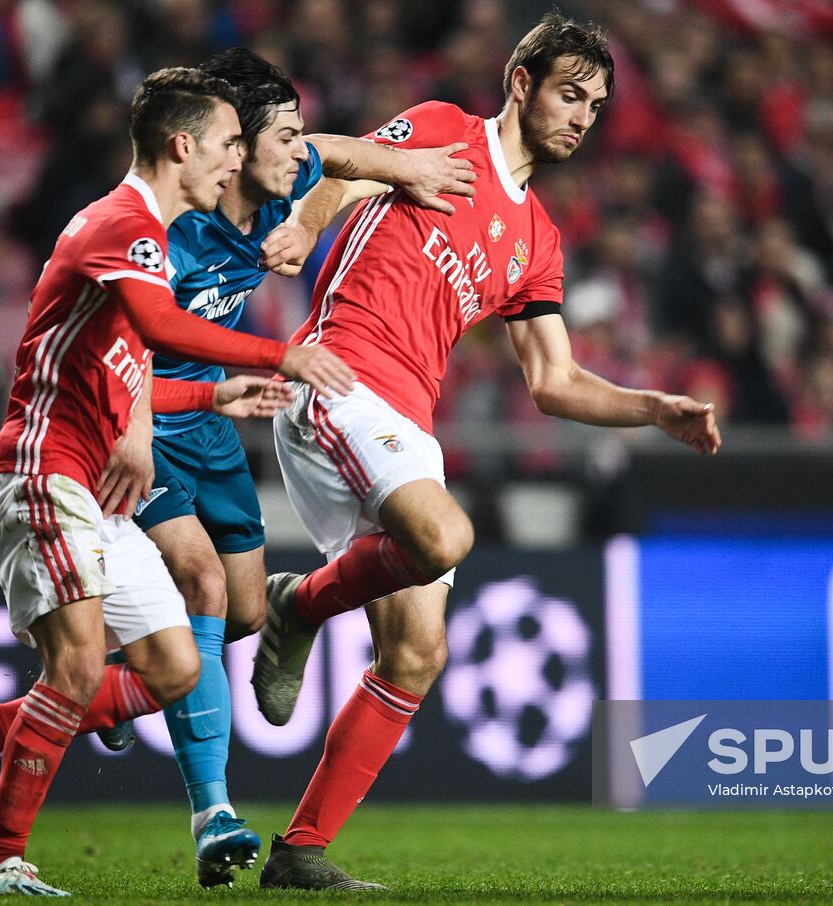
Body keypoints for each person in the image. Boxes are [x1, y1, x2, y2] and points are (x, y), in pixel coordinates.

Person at [251, 12, 720, 891]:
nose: (582, 117)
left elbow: (554, 380)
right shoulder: (444, 131)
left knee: (418, 650)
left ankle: (301, 851)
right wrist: (308, 227)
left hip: (405, 419)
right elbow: (342, 167)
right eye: (570, 94)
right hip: (341, 373)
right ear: (521, 83)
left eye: (595, 106)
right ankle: (302, 607)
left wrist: (651, 407)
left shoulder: (538, 242)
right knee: (444, 535)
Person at [0, 65, 356, 896]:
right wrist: (281, 353)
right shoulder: (123, 226)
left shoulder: (149, 239)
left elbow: (129, 368)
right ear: (182, 145)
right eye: (227, 144)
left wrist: (214, 395)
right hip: (44, 471)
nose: (236, 161)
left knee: (173, 668)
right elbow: (160, 327)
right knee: (81, 665)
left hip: (98, 495)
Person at [121, 47, 475, 888]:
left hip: (210, 423)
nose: (301, 150)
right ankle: (214, 814)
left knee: (244, 614)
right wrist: (140, 427)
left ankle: (92, 685)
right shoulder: (166, 229)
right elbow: (118, 347)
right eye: (284, 136)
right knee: (204, 584)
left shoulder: (280, 186)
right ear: (233, 147)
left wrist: (408, 170)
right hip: (140, 419)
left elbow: (344, 153)